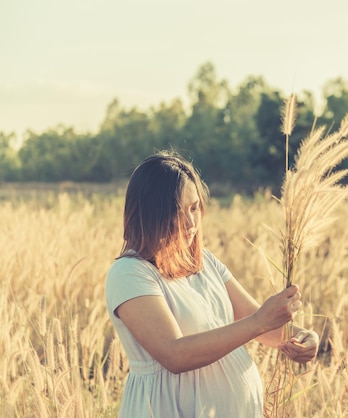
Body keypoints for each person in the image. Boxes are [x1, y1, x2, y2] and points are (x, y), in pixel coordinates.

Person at [105, 151, 319, 417]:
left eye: (194, 208)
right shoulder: (129, 273)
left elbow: (260, 323)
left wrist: (302, 336)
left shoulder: (204, 261)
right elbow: (174, 354)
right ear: (149, 213)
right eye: (176, 211)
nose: (190, 222)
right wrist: (261, 321)